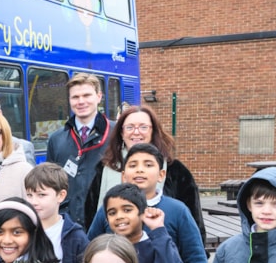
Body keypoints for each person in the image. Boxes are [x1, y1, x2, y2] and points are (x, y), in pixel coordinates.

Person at [83, 104, 205, 242]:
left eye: (143, 127)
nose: (136, 132)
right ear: (122, 133)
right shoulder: (105, 168)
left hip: (165, 253)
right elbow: (91, 216)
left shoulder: (175, 170)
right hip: (114, 253)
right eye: (130, 127)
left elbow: (194, 224)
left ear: (153, 131)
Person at [46, 73, 114, 226]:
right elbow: (50, 184)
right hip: (68, 224)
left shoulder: (116, 134)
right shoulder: (57, 139)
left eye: (87, 95)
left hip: (105, 222)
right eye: (75, 97)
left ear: (99, 96)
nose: (81, 101)